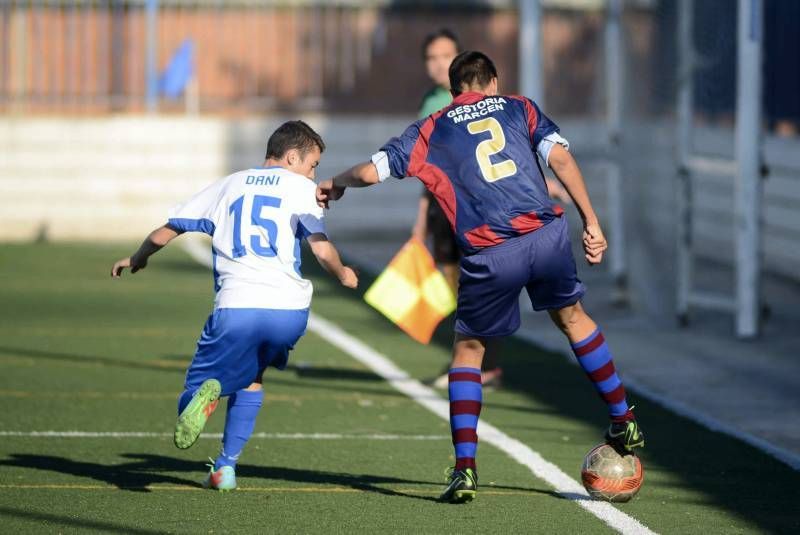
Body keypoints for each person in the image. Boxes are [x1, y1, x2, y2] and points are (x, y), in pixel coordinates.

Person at [317, 51, 644, 503]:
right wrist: (591, 220)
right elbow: (562, 161)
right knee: (573, 318)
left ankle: (466, 469)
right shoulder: (519, 107)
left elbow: (372, 173)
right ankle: (623, 417)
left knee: (469, 349)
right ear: (492, 83)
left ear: (454, 92)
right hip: (546, 236)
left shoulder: (432, 126)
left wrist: (336, 181)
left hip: (491, 253)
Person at [111, 120, 358, 492]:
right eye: (312, 166)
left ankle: (203, 399)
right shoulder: (302, 190)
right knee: (252, 377)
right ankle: (225, 468)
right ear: (292, 157)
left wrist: (138, 257)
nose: (313, 174)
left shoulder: (230, 184)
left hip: (236, 308)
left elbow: (170, 228)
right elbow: (321, 248)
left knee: (195, 394)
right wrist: (342, 273)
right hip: (289, 312)